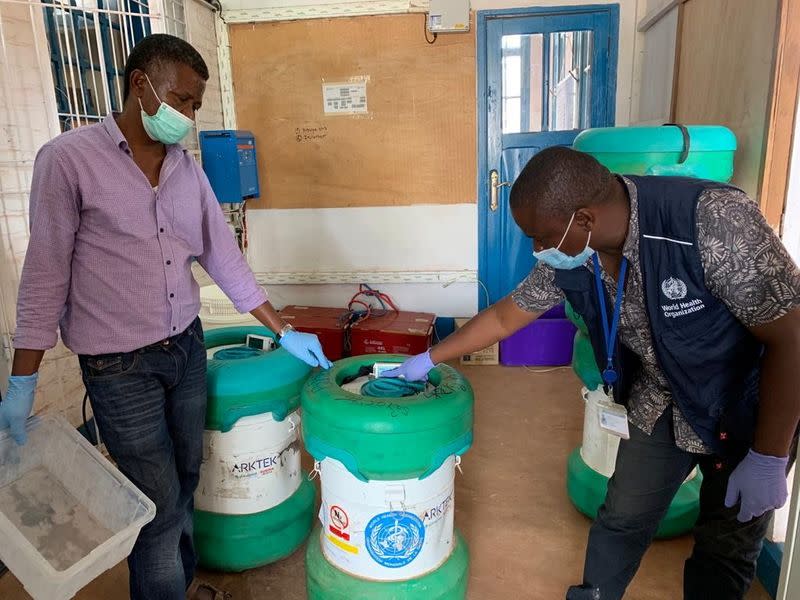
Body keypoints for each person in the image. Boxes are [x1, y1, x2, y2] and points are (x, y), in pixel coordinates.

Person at [0, 34, 332, 600]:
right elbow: (45, 274)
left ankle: (179, 585)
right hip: (118, 366)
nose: (189, 115)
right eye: (181, 100)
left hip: (185, 348)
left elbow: (222, 256)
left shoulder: (187, 170)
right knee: (153, 507)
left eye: (196, 105)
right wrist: (24, 377)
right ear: (140, 85)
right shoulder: (69, 161)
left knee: (184, 481)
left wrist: (284, 330)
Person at [385, 147, 800, 599]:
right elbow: (507, 317)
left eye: (541, 237)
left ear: (583, 218)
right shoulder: (577, 251)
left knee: (724, 548)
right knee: (622, 515)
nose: (536, 250)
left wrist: (769, 456)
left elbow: (792, 338)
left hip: (747, 407)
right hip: (663, 397)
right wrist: (430, 358)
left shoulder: (713, 221)